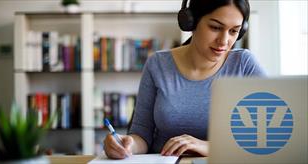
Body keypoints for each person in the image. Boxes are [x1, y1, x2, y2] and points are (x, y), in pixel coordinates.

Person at [103, 0, 266, 159]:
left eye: (234, 31)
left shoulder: (244, 64)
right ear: (191, 21)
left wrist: (208, 146)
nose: (224, 41)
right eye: (215, 27)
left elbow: (269, 135)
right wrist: (127, 144)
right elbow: (142, 134)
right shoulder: (157, 64)